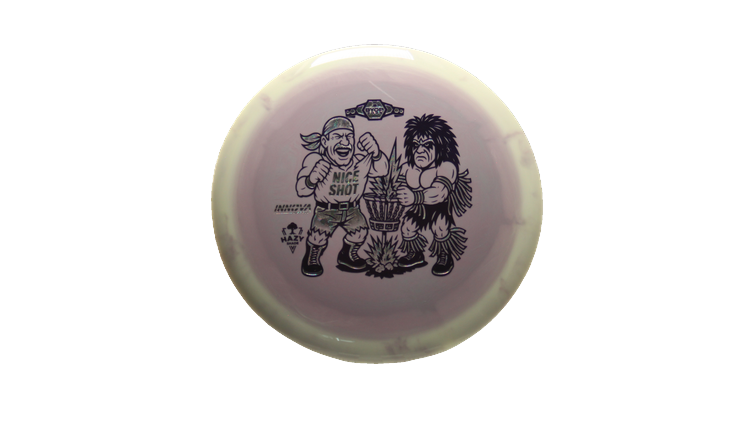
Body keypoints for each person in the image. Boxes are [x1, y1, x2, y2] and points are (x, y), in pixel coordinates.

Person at [296, 116, 388, 277]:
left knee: (360, 232)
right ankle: (312, 258)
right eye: (338, 136)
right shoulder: (316, 160)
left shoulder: (360, 161)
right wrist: (312, 179)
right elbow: (301, 190)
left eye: (349, 136)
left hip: (353, 210)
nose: (345, 142)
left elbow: (382, 170)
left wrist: (377, 154)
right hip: (326, 211)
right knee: (318, 237)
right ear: (325, 141)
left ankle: (347, 255)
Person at [396, 114, 472, 276]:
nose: (420, 150)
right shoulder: (407, 168)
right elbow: (400, 187)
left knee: (441, 228)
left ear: (440, 147)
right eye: (415, 145)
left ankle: (444, 255)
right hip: (418, 208)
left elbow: (439, 193)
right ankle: (415, 254)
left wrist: (414, 197)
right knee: (407, 228)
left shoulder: (446, 167)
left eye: (428, 145)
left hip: (439, 207)